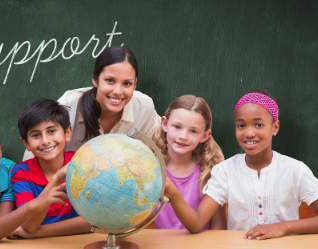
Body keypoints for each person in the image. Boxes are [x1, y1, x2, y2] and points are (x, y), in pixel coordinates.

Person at [165, 89, 318, 239]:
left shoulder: (295, 170)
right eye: (241, 125)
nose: (249, 133)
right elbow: (197, 222)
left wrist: (284, 226)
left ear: (275, 127)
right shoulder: (225, 171)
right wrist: (173, 193)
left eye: (258, 125)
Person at [23, 46, 160, 160]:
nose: (118, 91)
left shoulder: (144, 107)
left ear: (135, 84)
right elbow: (34, 157)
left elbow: (159, 152)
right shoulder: (67, 108)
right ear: (95, 79)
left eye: (127, 83)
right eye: (110, 80)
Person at [8, 98, 91, 239]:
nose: (45, 141)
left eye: (51, 131)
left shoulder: (82, 162)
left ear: (67, 133)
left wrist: (36, 234)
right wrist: (56, 178)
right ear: (26, 143)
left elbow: (90, 222)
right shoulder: (22, 173)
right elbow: (29, 225)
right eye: (35, 135)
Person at [151, 95, 227, 230]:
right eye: (177, 127)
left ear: (205, 135)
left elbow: (218, 226)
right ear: (164, 124)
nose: (183, 137)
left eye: (193, 131)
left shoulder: (210, 169)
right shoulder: (149, 166)